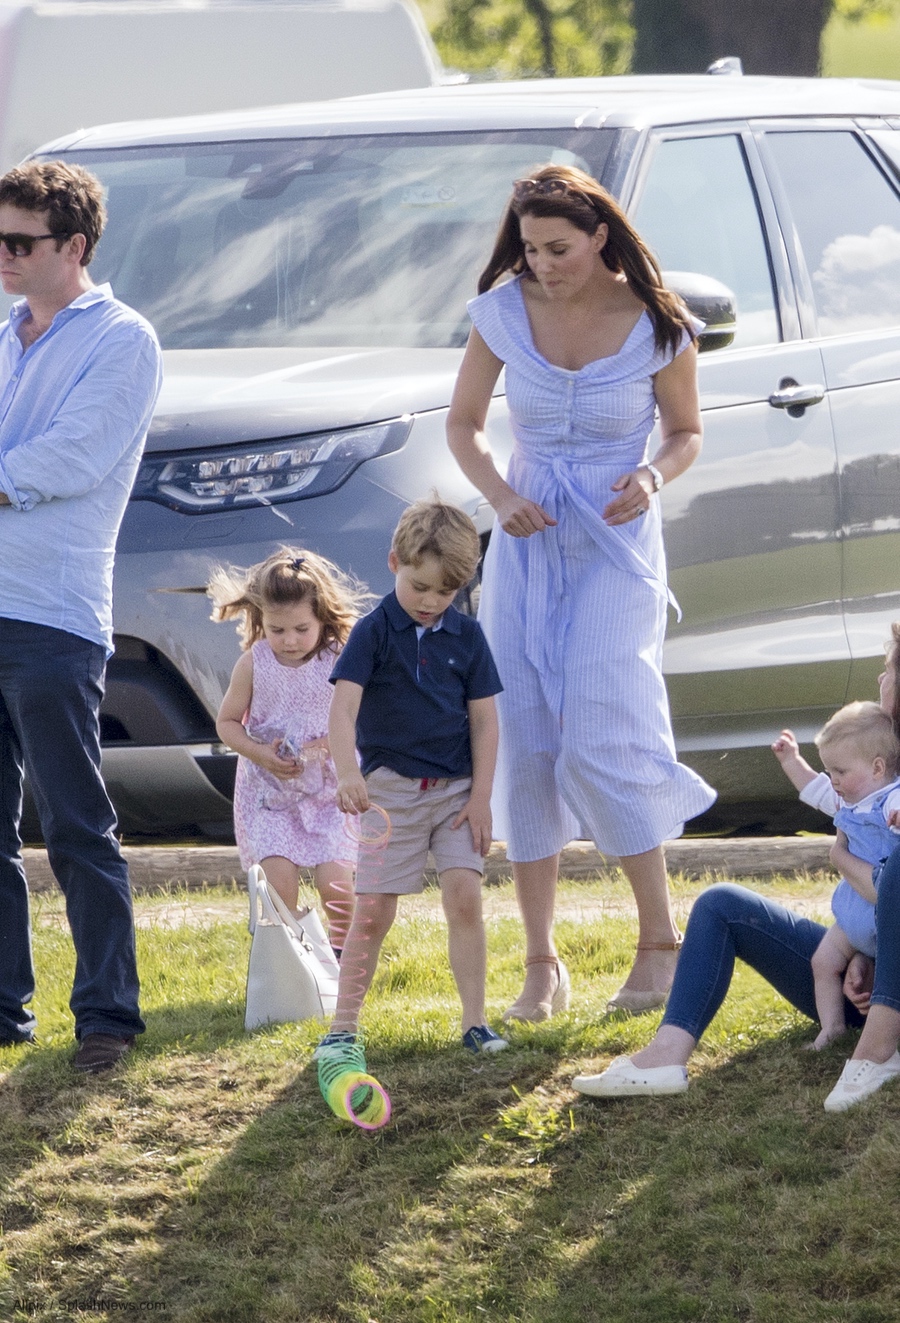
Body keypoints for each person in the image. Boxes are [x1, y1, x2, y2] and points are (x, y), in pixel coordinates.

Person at [446, 163, 715, 1022]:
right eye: (528, 248)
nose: (542, 264)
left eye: (558, 248)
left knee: (602, 728)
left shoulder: (659, 324)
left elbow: (686, 433)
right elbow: (463, 424)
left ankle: (659, 944)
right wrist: (499, 495)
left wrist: (651, 473)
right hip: (526, 551)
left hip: (614, 545)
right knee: (524, 737)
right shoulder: (499, 313)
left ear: (600, 236)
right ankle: (541, 964)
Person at [571, 623, 900, 1111]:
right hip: (862, 978)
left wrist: (840, 859)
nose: (880, 677)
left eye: (889, 667)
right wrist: (862, 954)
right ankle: (665, 1056)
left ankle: (879, 1050)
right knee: (721, 904)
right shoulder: (864, 756)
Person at [0, 160, 162, 1072]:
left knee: (74, 825)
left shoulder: (123, 340)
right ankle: (2, 1014)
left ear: (76, 247)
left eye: (21, 243)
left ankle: (108, 1015)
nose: (5, 257)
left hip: (52, 614)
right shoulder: (5, 338)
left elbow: (74, 456)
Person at [314, 498, 506, 1074]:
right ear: (394, 561)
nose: (429, 602)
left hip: (455, 794)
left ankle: (475, 1021)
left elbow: (485, 720)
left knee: (465, 898)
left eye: (445, 592)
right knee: (371, 911)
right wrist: (349, 772)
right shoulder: (374, 633)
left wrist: (480, 798)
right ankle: (342, 1030)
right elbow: (342, 712)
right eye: (419, 586)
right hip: (389, 794)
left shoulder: (467, 637)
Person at [210, 548, 370, 956]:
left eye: (301, 628)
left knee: (336, 884)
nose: (290, 640)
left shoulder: (339, 660)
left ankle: (344, 959)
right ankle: (294, 958)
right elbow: (227, 723)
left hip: (330, 793)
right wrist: (260, 752)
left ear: (322, 617)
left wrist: (324, 748)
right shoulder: (254, 664)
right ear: (261, 619)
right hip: (271, 797)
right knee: (278, 886)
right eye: (277, 630)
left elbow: (360, 720)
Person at [772, 703, 900, 1049]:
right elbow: (814, 789)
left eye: (840, 771)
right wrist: (791, 762)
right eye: (830, 771)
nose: (834, 780)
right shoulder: (846, 800)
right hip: (853, 914)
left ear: (877, 768)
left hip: (885, 918)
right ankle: (832, 1027)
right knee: (823, 961)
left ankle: (883, 1034)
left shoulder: (890, 798)